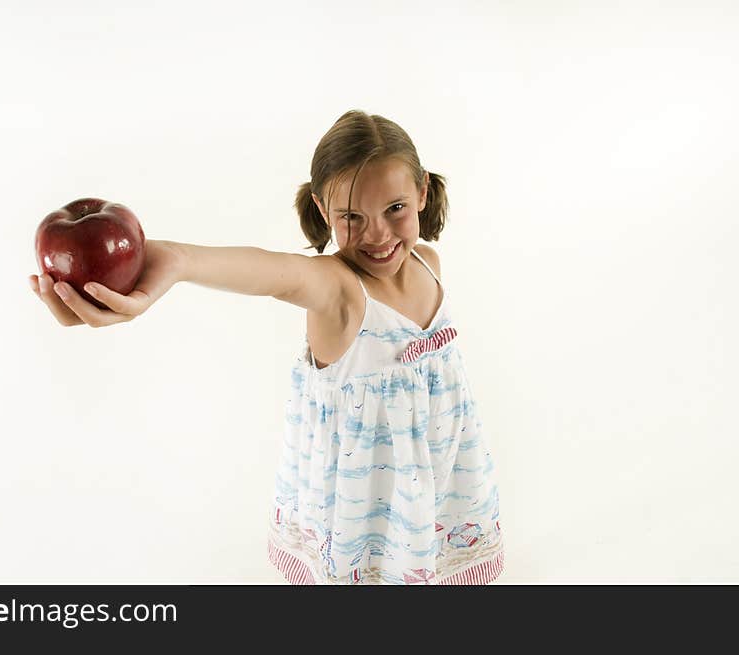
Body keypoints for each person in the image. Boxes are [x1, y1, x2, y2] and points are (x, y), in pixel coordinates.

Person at [29, 109, 505, 585]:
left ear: (421, 190)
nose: (378, 234)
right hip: (371, 520)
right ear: (324, 211)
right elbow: (271, 272)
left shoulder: (430, 264)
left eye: (395, 208)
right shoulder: (338, 291)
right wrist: (177, 260)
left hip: (438, 492)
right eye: (351, 217)